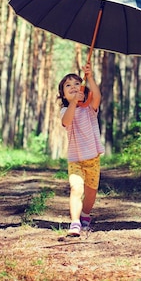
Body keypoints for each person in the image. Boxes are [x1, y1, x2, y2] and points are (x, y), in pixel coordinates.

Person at [58, 62, 104, 237]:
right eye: (68, 85)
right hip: (75, 159)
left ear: (83, 89)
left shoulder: (90, 109)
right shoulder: (64, 110)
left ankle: (85, 215)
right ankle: (75, 221)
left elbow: (97, 96)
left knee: (91, 193)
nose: (73, 87)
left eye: (77, 83)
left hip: (92, 158)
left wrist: (90, 76)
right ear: (63, 94)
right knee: (76, 188)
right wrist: (73, 103)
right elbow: (67, 121)